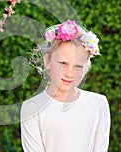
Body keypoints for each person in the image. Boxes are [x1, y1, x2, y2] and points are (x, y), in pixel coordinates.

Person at [20, 19, 110, 152]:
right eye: (63, 63)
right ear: (47, 61)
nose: (70, 73)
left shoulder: (98, 104)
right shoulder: (32, 109)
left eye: (78, 66)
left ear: (86, 67)